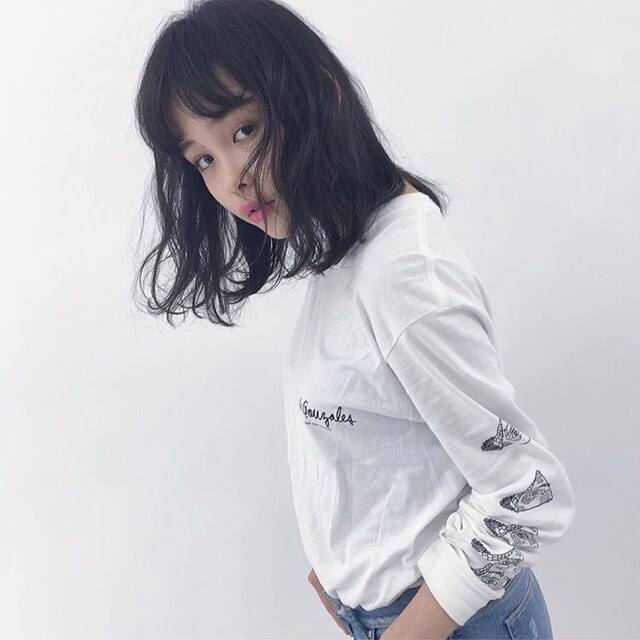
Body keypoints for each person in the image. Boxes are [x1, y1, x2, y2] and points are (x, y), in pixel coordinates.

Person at [133, 1, 576, 638]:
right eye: (202, 158)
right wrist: (337, 577)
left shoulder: (403, 274)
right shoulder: (350, 249)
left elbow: (528, 495)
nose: (230, 180)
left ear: (321, 93)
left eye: (244, 131)